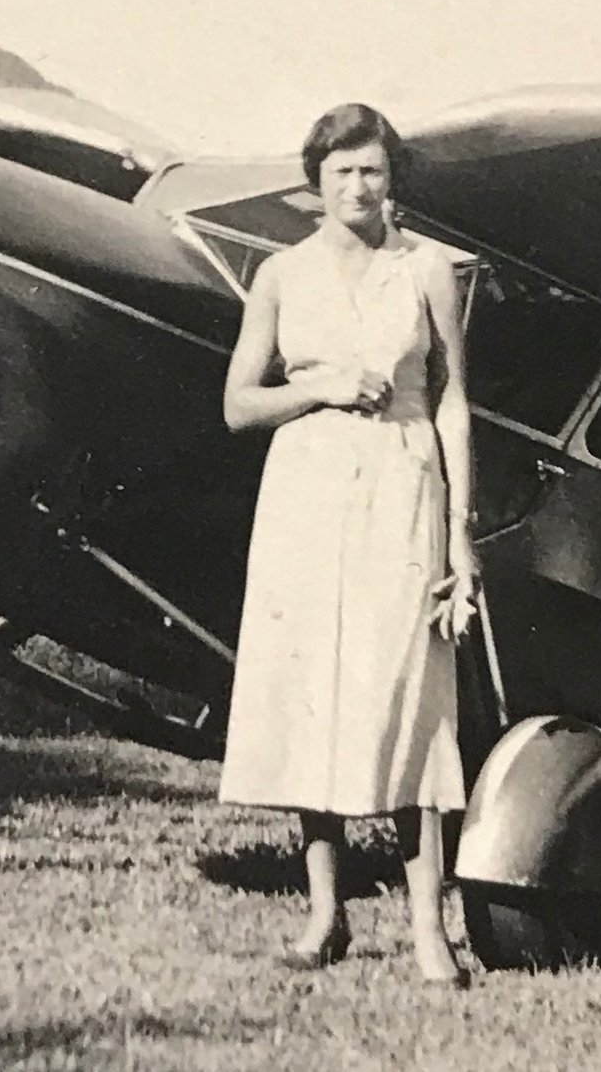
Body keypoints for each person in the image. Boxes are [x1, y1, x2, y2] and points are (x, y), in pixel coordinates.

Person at [218, 101, 478, 988]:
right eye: (341, 172)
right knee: (310, 695)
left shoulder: (430, 269)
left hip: (405, 491)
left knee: (406, 698)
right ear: (315, 181)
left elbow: (451, 402)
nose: (358, 186)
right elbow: (238, 403)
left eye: (372, 170)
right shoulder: (282, 276)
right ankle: (326, 915)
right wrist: (321, 385)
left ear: (390, 177)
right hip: (306, 493)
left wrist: (463, 537)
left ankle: (428, 931)